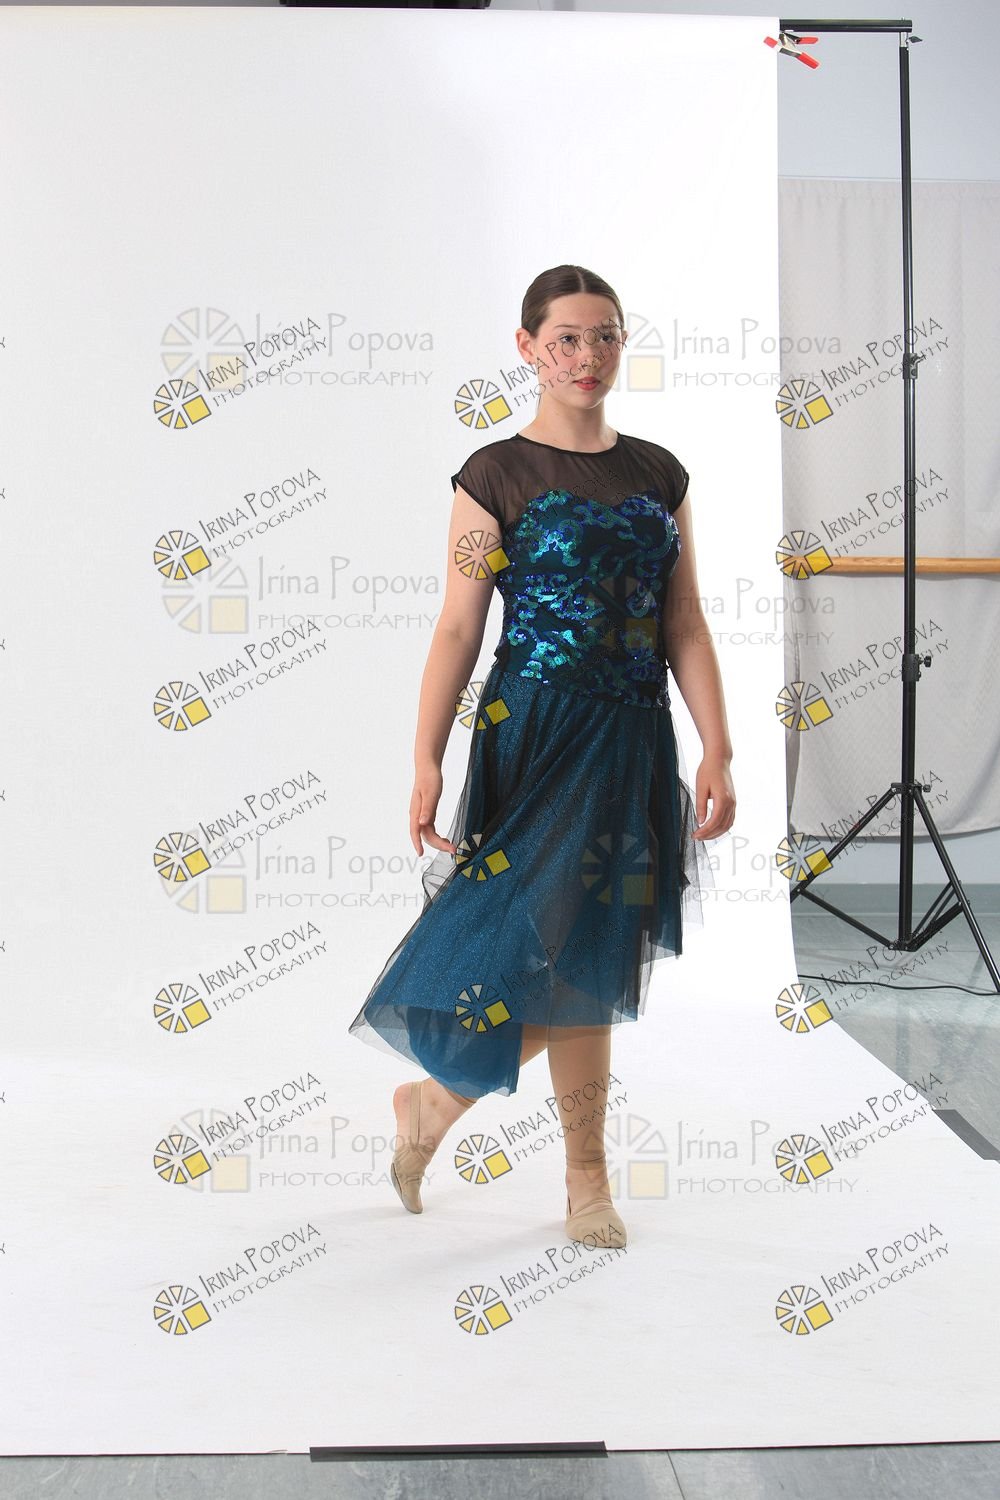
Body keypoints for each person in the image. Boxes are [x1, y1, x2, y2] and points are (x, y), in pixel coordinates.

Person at [348, 264, 735, 1248]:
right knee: (550, 941)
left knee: (589, 947)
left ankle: (488, 1133)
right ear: (527, 348)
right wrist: (426, 758)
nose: (587, 356)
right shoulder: (493, 476)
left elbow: (684, 620)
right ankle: (562, 1169)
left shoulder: (660, 475)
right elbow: (457, 626)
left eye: (605, 336)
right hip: (536, 730)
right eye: (565, 338)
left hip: (632, 734)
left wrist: (718, 748)